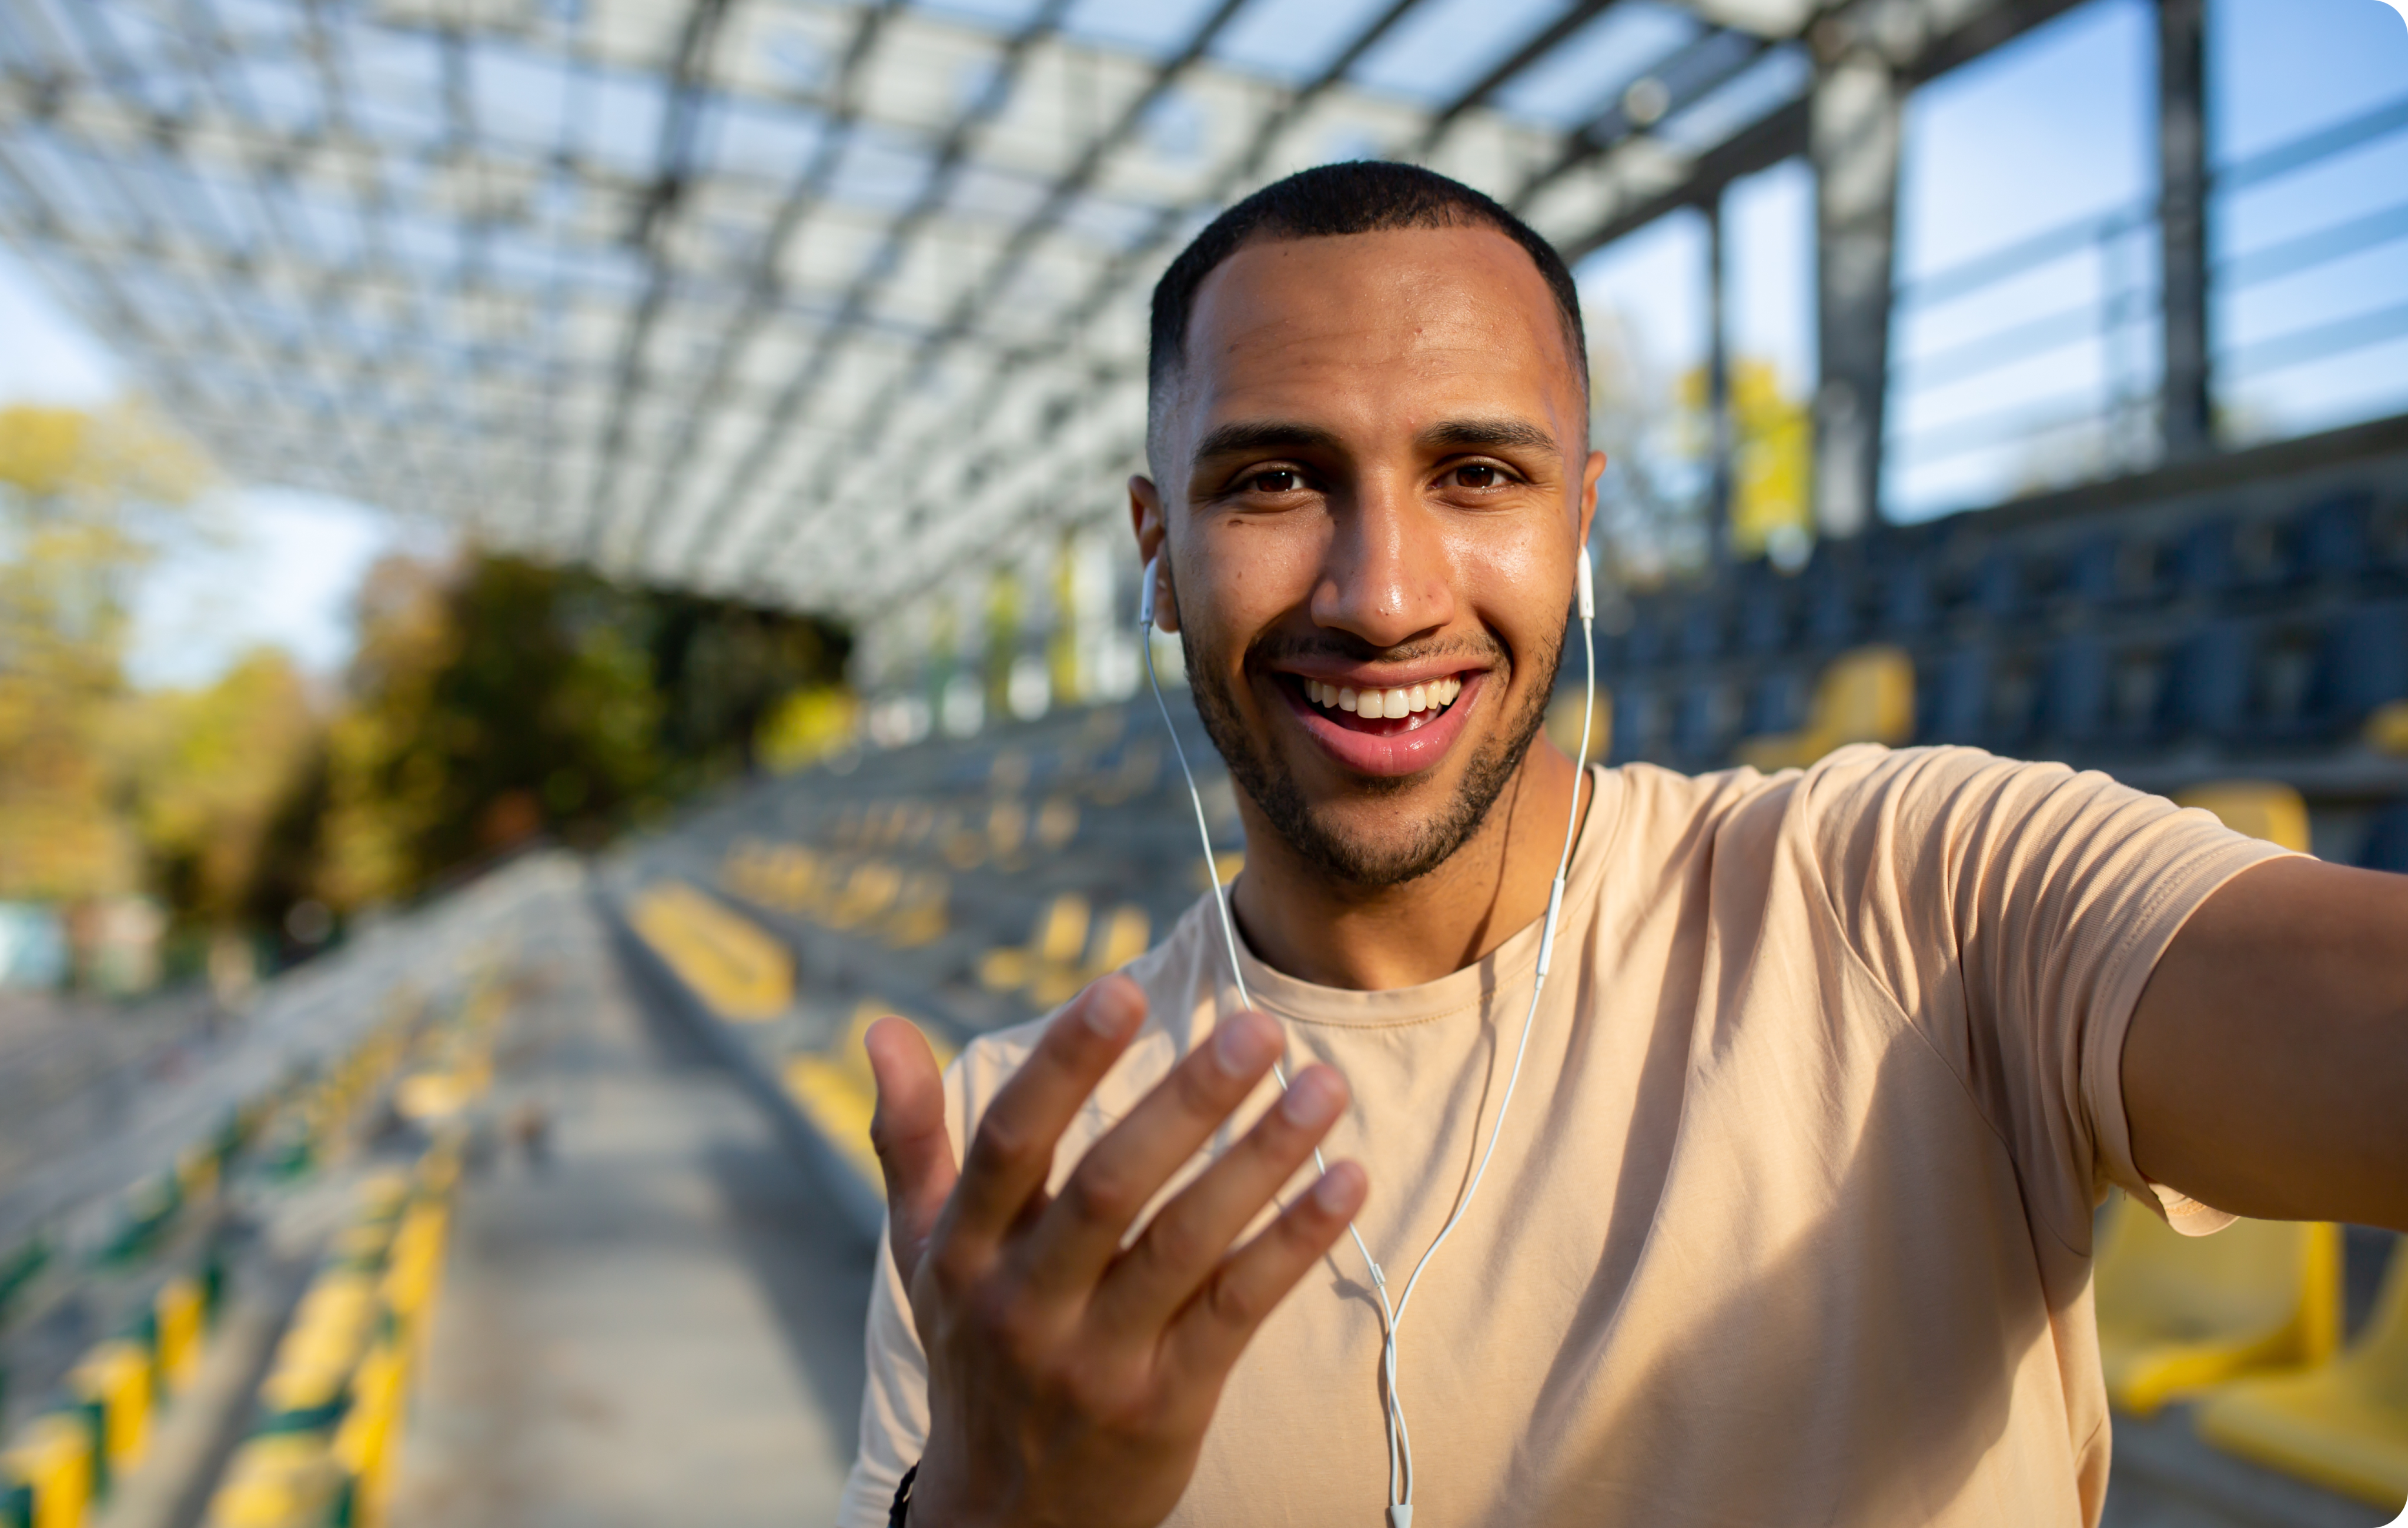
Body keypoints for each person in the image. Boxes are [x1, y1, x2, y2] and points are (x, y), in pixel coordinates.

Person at [842, 162, 2408, 1527]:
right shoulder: (1009, 1168)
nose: (1382, 595)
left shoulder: (1922, 898)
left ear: (1580, 521)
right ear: (1159, 551)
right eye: (1274, 479)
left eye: (1477, 474)